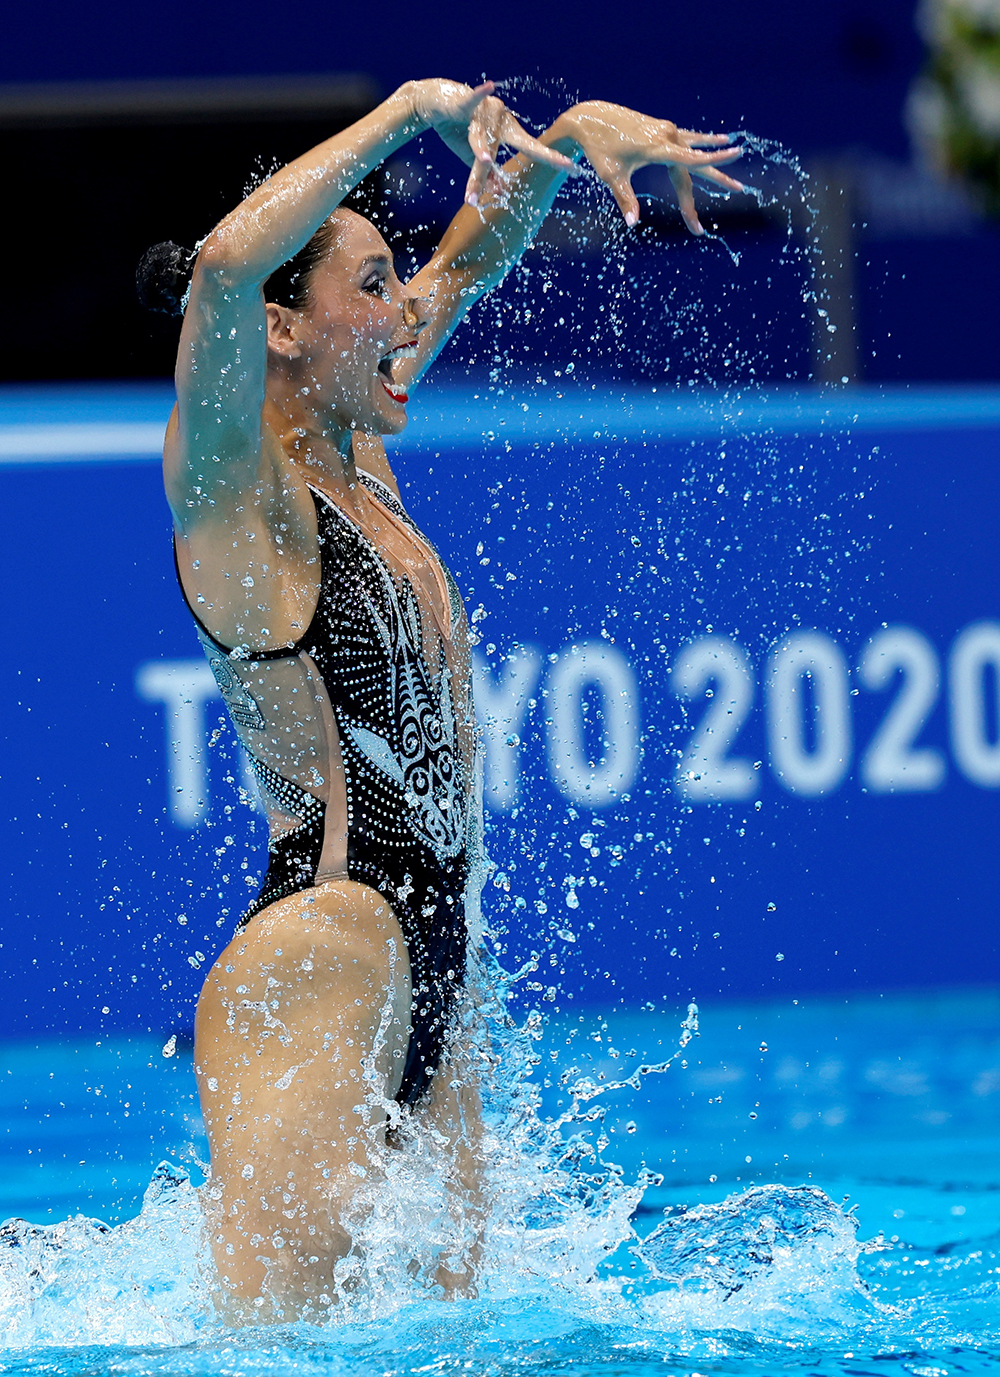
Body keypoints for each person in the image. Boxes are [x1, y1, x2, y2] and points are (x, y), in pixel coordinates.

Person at [139, 77, 742, 1319]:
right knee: (273, 1350)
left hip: (437, 968)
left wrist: (565, 143)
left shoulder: (358, 452)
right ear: (283, 331)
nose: (407, 306)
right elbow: (223, 269)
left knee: (463, 1338)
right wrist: (408, 110)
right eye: (372, 286)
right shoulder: (238, 497)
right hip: (325, 952)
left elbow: (472, 257)